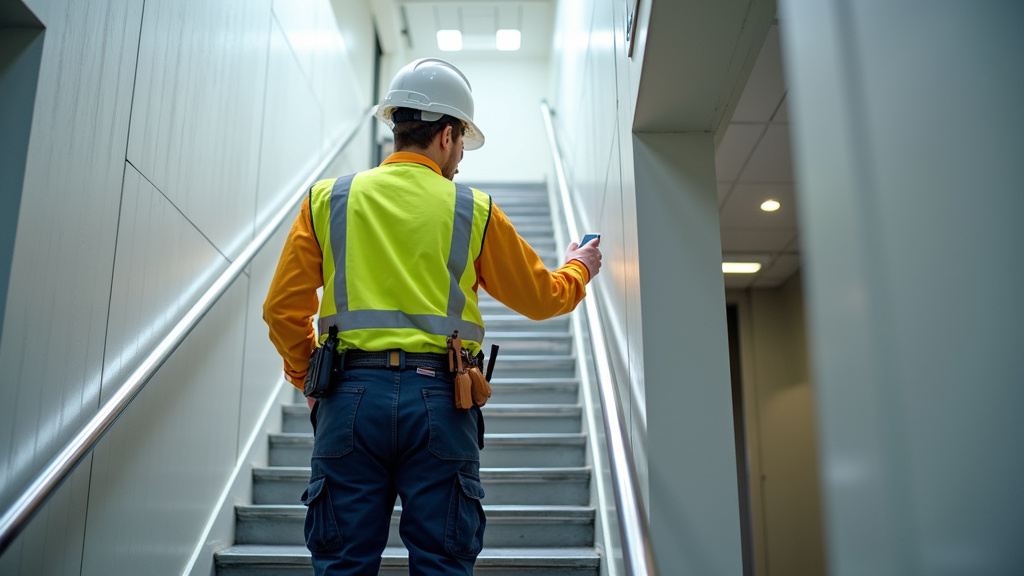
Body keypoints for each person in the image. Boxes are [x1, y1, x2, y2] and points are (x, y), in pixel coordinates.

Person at [263, 57, 602, 576]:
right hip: (443, 399)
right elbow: (542, 298)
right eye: (463, 142)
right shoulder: (474, 209)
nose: (461, 156)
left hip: (348, 399)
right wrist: (578, 267)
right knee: (443, 565)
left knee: (342, 567)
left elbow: (282, 309)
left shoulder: (328, 199)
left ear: (397, 126)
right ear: (446, 136)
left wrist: (307, 376)